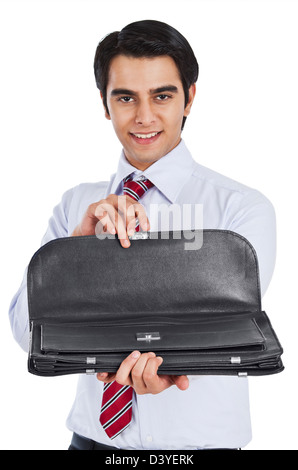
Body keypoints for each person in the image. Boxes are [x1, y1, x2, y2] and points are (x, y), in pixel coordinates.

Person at [9, 19, 276, 450]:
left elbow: (225, 330)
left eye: (163, 95)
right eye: (126, 97)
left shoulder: (240, 209)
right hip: (91, 443)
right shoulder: (75, 206)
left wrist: (163, 356)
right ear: (104, 103)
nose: (145, 117)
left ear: (189, 97)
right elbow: (27, 334)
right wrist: (76, 248)